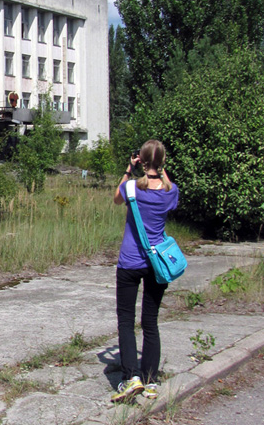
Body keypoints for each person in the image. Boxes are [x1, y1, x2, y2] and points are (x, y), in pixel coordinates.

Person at [111, 139, 179, 403]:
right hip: (156, 265)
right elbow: (167, 185)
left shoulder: (130, 187)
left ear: (141, 158)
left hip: (129, 263)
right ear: (162, 162)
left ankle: (131, 378)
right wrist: (160, 170)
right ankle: (150, 380)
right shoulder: (170, 191)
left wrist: (129, 168)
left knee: (126, 321)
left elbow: (116, 199)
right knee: (150, 322)